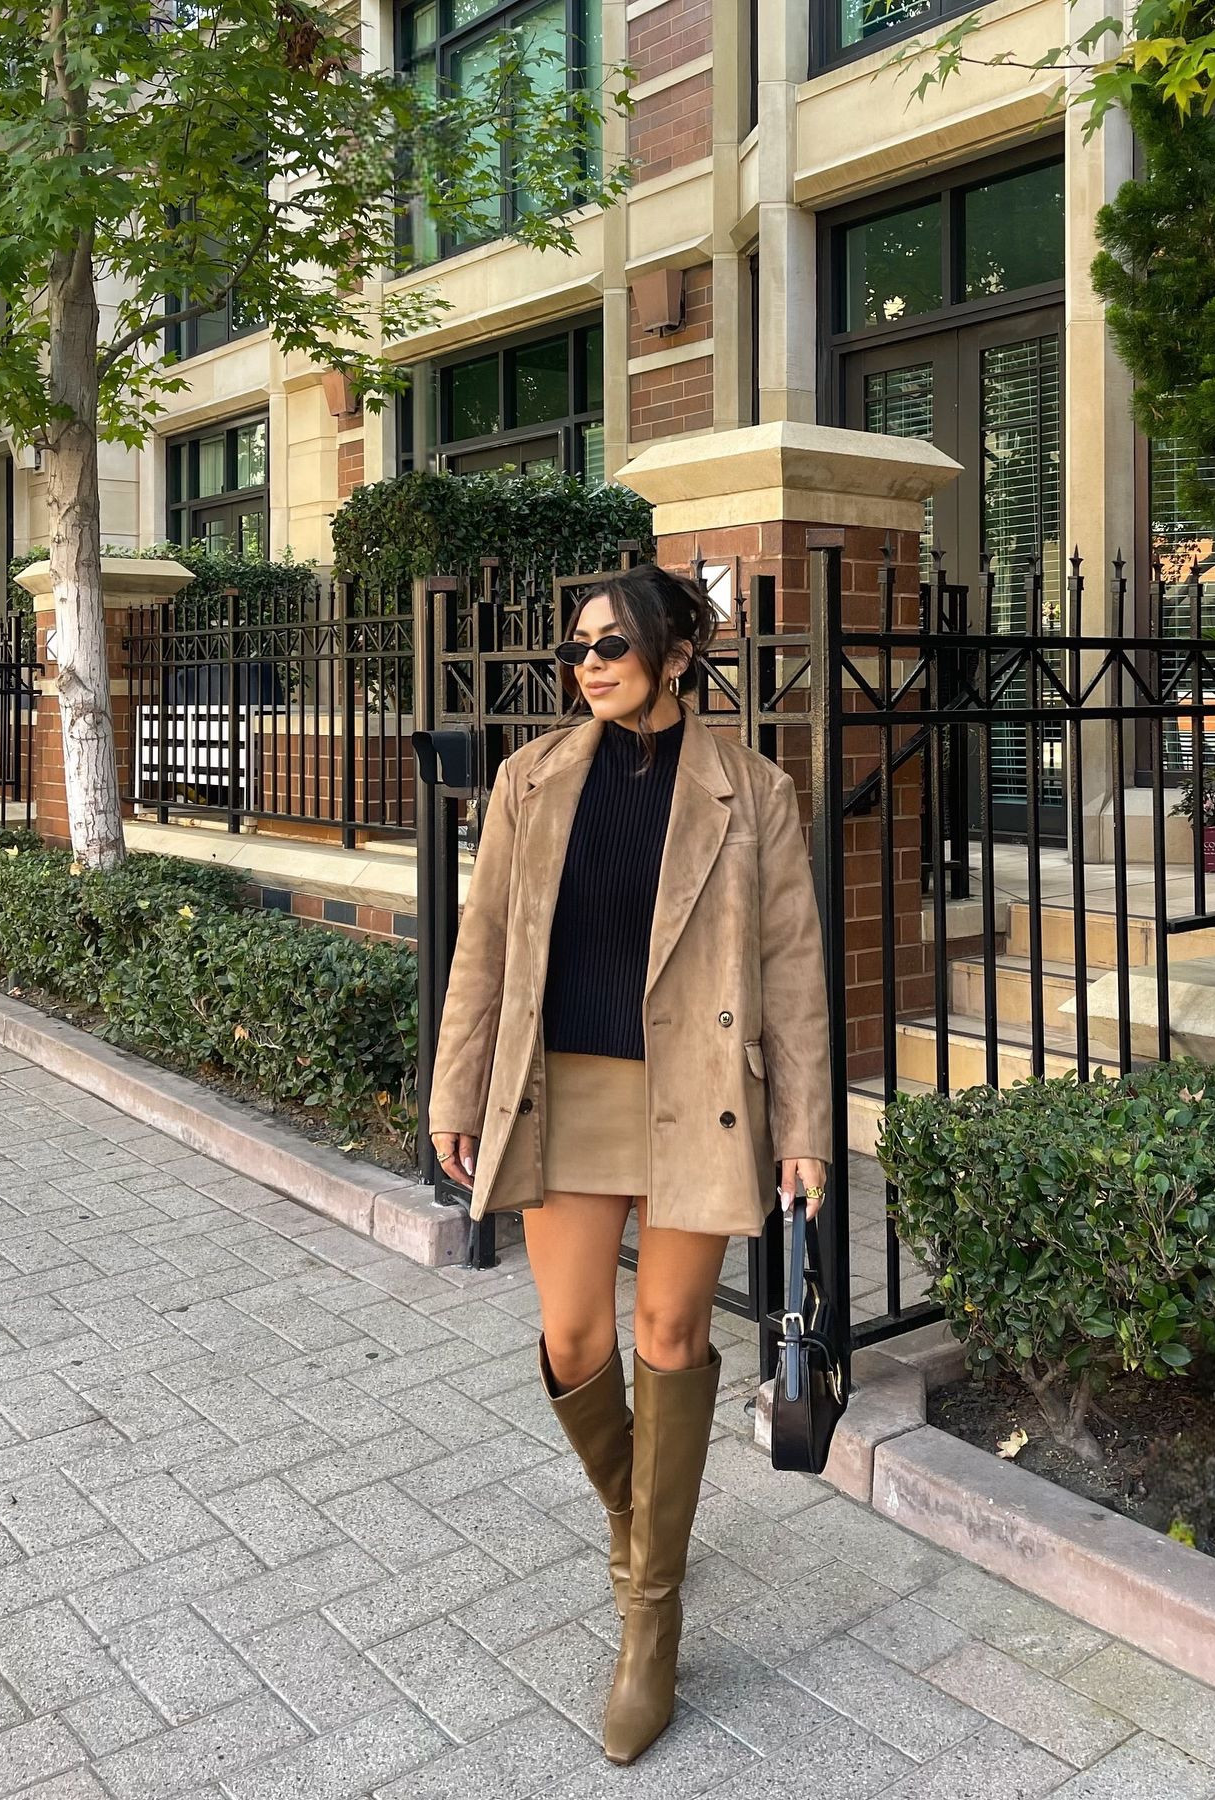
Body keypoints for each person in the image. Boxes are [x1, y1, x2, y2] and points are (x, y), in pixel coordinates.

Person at [428, 563, 831, 1766]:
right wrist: (456, 1090)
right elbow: (484, 946)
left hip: (697, 1098)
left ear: (678, 654)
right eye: (577, 647)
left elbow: (793, 966)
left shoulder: (752, 791)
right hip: (565, 1092)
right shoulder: (530, 779)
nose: (588, 664)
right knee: (571, 1342)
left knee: (667, 1335)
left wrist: (804, 1128)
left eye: (612, 644)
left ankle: (649, 1610)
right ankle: (639, 1520)